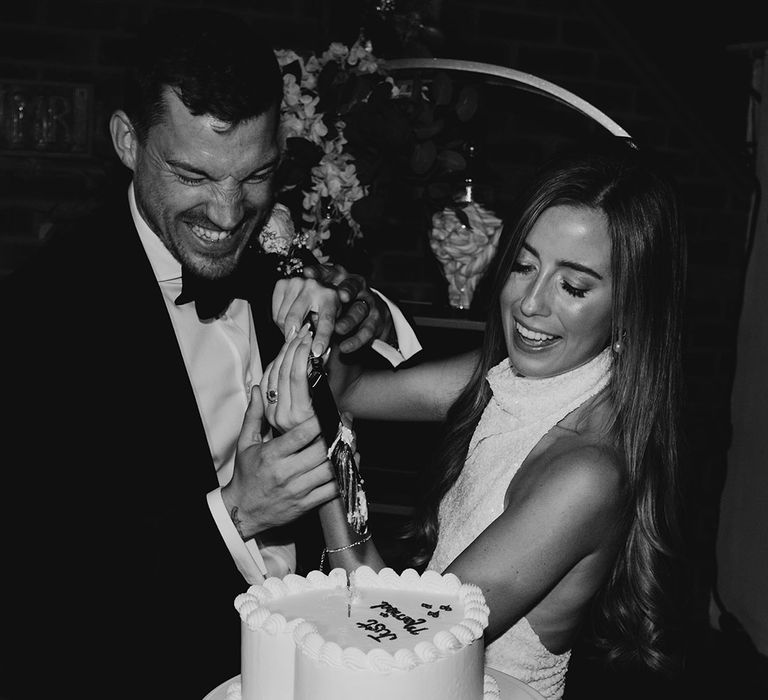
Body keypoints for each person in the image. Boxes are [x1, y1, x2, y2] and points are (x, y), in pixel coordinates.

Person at [0, 9, 420, 700]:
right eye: (193, 175)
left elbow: (361, 390)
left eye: (255, 176)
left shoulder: (273, 265)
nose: (229, 215)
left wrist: (356, 315)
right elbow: (44, 590)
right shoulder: (37, 321)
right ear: (128, 140)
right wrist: (237, 513)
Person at [261, 142, 686, 699]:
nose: (530, 304)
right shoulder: (510, 377)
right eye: (523, 265)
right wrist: (327, 308)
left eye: (574, 286)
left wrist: (326, 471)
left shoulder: (586, 472)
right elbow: (352, 390)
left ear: (632, 305)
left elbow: (403, 644)